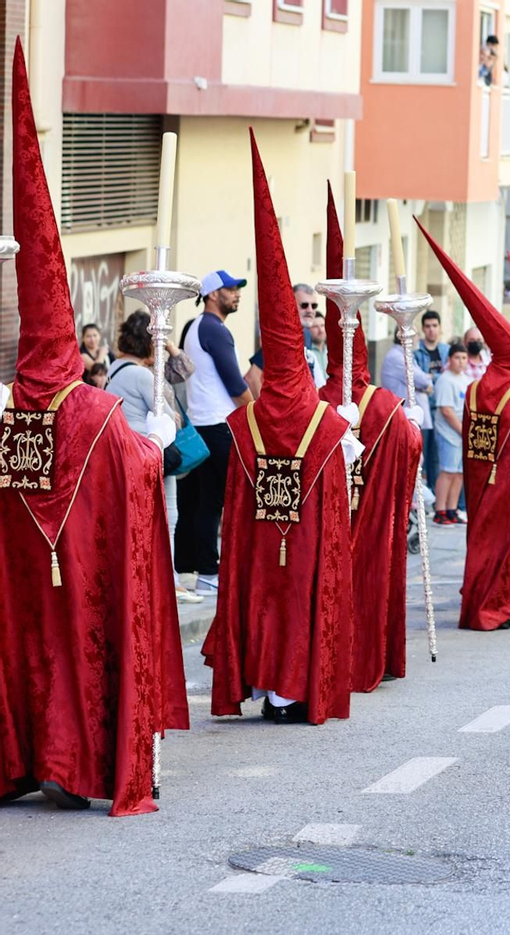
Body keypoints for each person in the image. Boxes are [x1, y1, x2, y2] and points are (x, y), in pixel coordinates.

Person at [0, 43, 187, 812]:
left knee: (20, 645)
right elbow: (141, 467)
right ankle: (74, 763)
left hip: (17, 572)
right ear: (72, 340)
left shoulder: (9, 409)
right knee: (75, 644)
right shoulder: (98, 411)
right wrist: (164, 435)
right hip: (77, 570)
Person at [202, 132, 359, 726]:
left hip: (262, 543)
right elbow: (341, 522)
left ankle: (264, 681)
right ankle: (292, 690)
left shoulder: (245, 426)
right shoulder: (325, 424)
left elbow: (233, 513)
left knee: (262, 593)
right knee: (300, 597)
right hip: (306, 542)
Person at [421, 219, 510, 631]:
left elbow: (475, 437)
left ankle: (481, 602)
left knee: (483, 542)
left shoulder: (476, 389)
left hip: (484, 481)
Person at [317, 185, 422, 689]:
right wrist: (413, 429)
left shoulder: (312, 401)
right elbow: (409, 455)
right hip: (371, 523)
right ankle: (371, 657)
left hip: (327, 526)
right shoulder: (387, 406)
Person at [106, 312, 201, 605]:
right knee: (168, 517)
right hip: (151, 449)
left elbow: (184, 369)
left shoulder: (115, 368)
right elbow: (168, 415)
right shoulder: (142, 374)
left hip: (125, 451)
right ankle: (168, 581)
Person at [175, 266, 252, 596]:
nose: (236, 294)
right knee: (213, 503)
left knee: (196, 503)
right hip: (218, 426)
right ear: (211, 295)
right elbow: (234, 382)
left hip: (199, 424)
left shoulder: (193, 327)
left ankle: (187, 569)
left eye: (237, 289)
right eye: (231, 289)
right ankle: (208, 572)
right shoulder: (214, 329)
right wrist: (255, 415)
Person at [432, 344, 470, 524]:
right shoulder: (445, 380)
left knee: (460, 473)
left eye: (464, 358)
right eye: (457, 358)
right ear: (449, 359)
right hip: (449, 432)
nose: (461, 362)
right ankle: (440, 509)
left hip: (463, 432)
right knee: (448, 471)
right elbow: (446, 410)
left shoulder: (466, 379)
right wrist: (463, 430)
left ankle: (452, 509)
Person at [415, 308, 445, 488]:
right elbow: (416, 380)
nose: (431, 329)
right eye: (427, 326)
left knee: (437, 455)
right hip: (423, 410)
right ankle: (423, 494)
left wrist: (430, 379)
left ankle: (434, 492)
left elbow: (449, 377)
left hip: (442, 408)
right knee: (422, 454)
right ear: (423, 328)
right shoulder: (417, 351)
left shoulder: (446, 350)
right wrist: (429, 380)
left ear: (440, 327)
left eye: (434, 326)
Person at [306, 312, 329, 387]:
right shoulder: (307, 354)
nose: (321, 330)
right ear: (308, 330)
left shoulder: (331, 352)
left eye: (322, 326)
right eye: (315, 326)